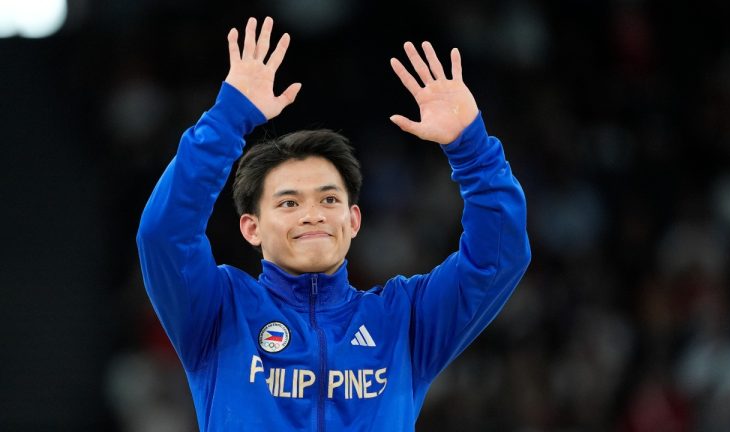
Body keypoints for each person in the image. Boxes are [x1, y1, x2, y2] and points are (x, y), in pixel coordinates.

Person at [137, 16, 531, 431]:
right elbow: (165, 235)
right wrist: (227, 118)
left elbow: (498, 257)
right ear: (251, 227)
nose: (313, 213)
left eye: (329, 199)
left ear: (353, 219)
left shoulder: (404, 321)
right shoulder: (218, 311)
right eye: (289, 202)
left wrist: (472, 149)